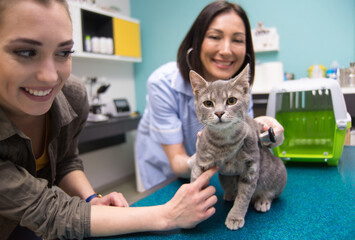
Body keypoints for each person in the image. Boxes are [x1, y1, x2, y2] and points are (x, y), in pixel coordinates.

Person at [0, 0, 218, 239]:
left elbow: (65, 161)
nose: (50, 77)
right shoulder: (162, 82)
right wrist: (168, 215)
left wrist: (92, 199)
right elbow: (51, 213)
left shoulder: (71, 95)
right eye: (25, 52)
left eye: (63, 52)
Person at [135, 1, 285, 191]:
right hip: (166, 177)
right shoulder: (162, 83)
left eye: (238, 40)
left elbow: (242, 143)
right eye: (215, 37)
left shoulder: (238, 89)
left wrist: (262, 131)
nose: (226, 50)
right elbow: (177, 162)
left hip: (213, 175)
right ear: (196, 42)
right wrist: (203, 155)